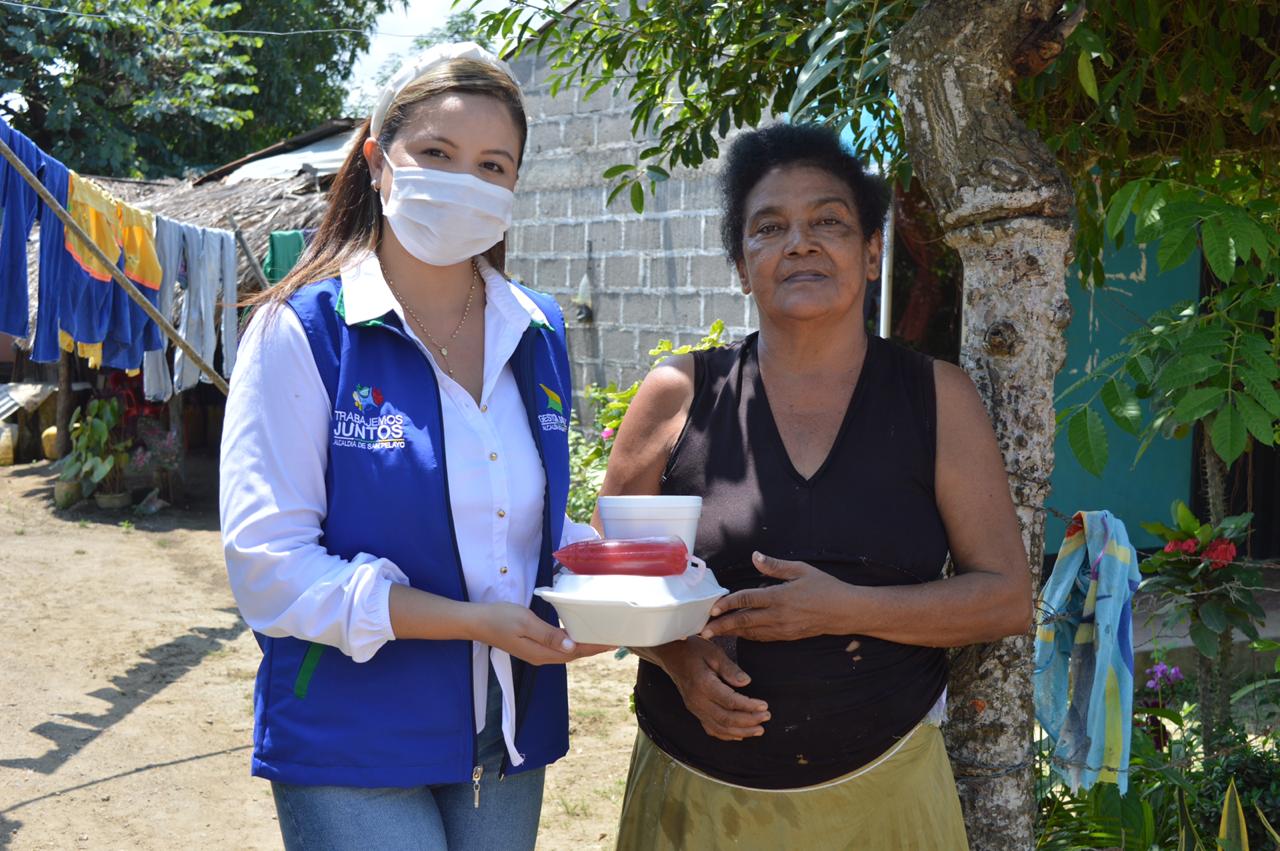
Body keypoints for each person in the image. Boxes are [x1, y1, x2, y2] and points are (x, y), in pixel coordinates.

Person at [598, 122, 1032, 849]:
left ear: (871, 253)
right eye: (769, 227)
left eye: (827, 220)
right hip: (695, 800)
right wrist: (673, 657)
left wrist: (843, 608)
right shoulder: (678, 394)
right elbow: (605, 583)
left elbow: (1005, 598)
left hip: (885, 795)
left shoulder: (935, 398)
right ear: (742, 264)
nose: (800, 242)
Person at [218, 42, 608, 851]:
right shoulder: (303, 333)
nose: (465, 180)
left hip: (507, 730)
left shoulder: (537, 329)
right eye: (437, 153)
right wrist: (470, 621)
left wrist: (614, 580)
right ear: (376, 161)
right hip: (350, 738)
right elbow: (268, 566)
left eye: (493, 165)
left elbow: (524, 525)